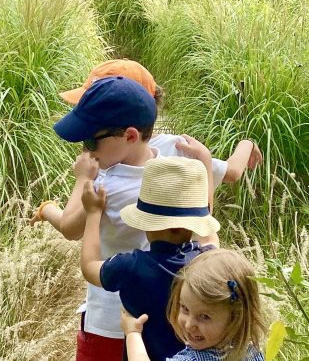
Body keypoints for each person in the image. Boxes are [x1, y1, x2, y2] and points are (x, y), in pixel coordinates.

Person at [30, 60, 262, 230]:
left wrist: (51, 205)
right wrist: (245, 145)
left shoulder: (107, 174)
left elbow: (70, 228)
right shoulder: (181, 149)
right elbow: (231, 174)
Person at [80, 156, 220, 361]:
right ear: (195, 223)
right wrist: (205, 163)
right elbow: (210, 237)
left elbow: (89, 266)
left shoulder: (130, 267)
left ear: (147, 223)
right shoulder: (207, 261)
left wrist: (93, 212)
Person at [120, 249, 267, 361]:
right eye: (185, 308)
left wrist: (133, 333)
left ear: (236, 318)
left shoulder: (192, 359)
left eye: (204, 316)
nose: (189, 324)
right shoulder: (253, 352)